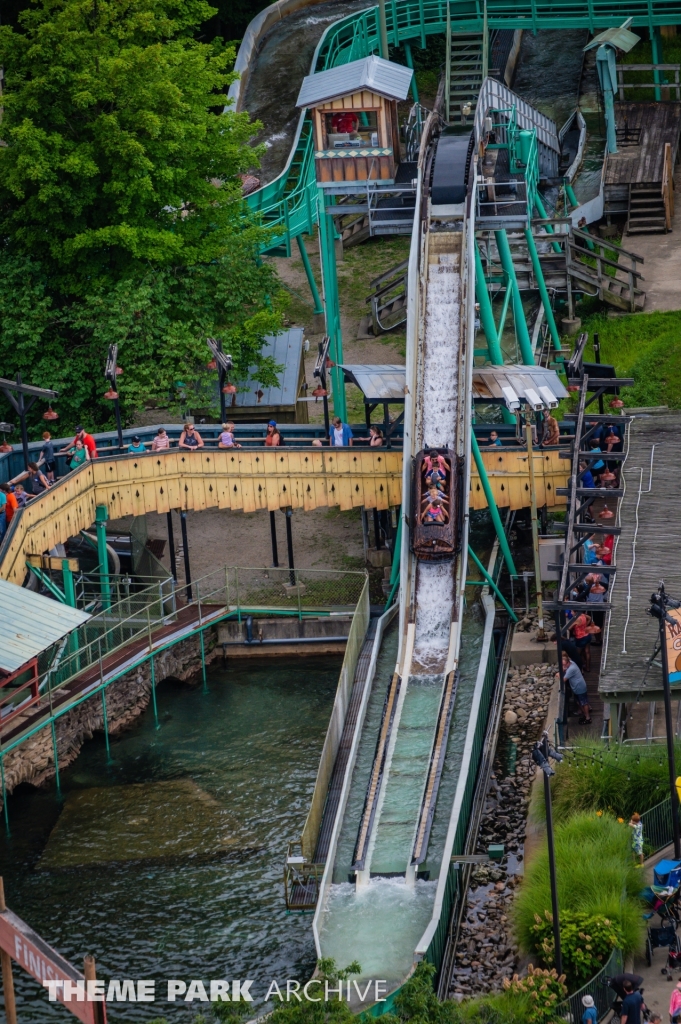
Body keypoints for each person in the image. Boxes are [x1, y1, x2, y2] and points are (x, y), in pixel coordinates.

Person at [559, 652, 591, 725]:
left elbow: (563, 679)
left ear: (568, 663)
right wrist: (564, 668)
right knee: (578, 702)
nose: (563, 666)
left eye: (564, 664)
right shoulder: (571, 663)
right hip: (576, 688)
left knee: (584, 703)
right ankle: (585, 715)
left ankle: (588, 718)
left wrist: (558, 674)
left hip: (580, 688)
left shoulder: (571, 669)